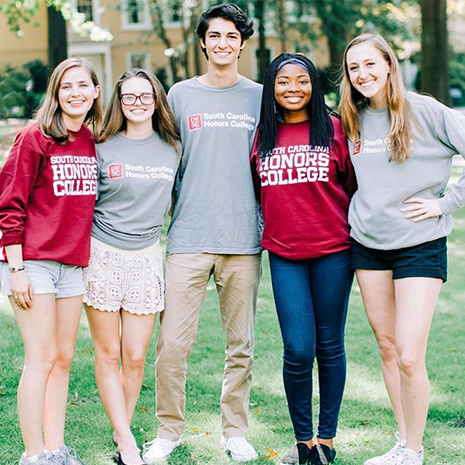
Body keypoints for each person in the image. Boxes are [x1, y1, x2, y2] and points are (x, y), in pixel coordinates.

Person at [142, 4, 263, 464]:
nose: (223, 43)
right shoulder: (180, 94)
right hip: (188, 237)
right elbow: (161, 158)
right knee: (172, 343)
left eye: (232, 36)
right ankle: (168, 431)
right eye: (215, 36)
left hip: (243, 241)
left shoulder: (259, 96)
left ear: (242, 43)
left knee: (241, 346)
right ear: (203, 42)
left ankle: (235, 432)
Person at [339, 33, 465, 465]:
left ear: (389, 65)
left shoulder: (423, 110)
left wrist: (444, 202)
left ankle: (414, 449)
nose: (363, 74)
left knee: (410, 354)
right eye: (354, 67)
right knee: (388, 346)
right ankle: (403, 442)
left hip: (419, 244)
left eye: (370, 64)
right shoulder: (352, 117)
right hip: (368, 245)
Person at [251, 53, 356, 465]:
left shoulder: (334, 130)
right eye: (282, 82)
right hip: (285, 254)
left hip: (333, 251)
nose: (292, 88)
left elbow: (353, 184)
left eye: (302, 80)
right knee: (297, 348)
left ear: (314, 85)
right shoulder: (262, 135)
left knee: (329, 345)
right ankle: (302, 442)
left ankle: (326, 441)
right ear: (271, 88)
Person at [0, 57, 102, 465]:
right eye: (66, 87)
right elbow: (9, 206)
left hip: (72, 265)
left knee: (63, 359)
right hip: (33, 263)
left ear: (96, 92)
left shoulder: (92, 141)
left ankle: (56, 450)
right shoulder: (35, 137)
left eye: (83, 86)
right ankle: (32, 453)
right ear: (56, 94)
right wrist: (17, 269)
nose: (75, 93)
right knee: (40, 357)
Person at [82, 69, 180, 465]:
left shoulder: (173, 147)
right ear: (118, 102)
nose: (137, 103)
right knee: (108, 354)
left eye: (145, 96)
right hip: (103, 254)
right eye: (129, 97)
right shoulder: (101, 146)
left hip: (146, 258)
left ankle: (121, 434)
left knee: (135, 356)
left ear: (156, 100)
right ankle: (125, 442)